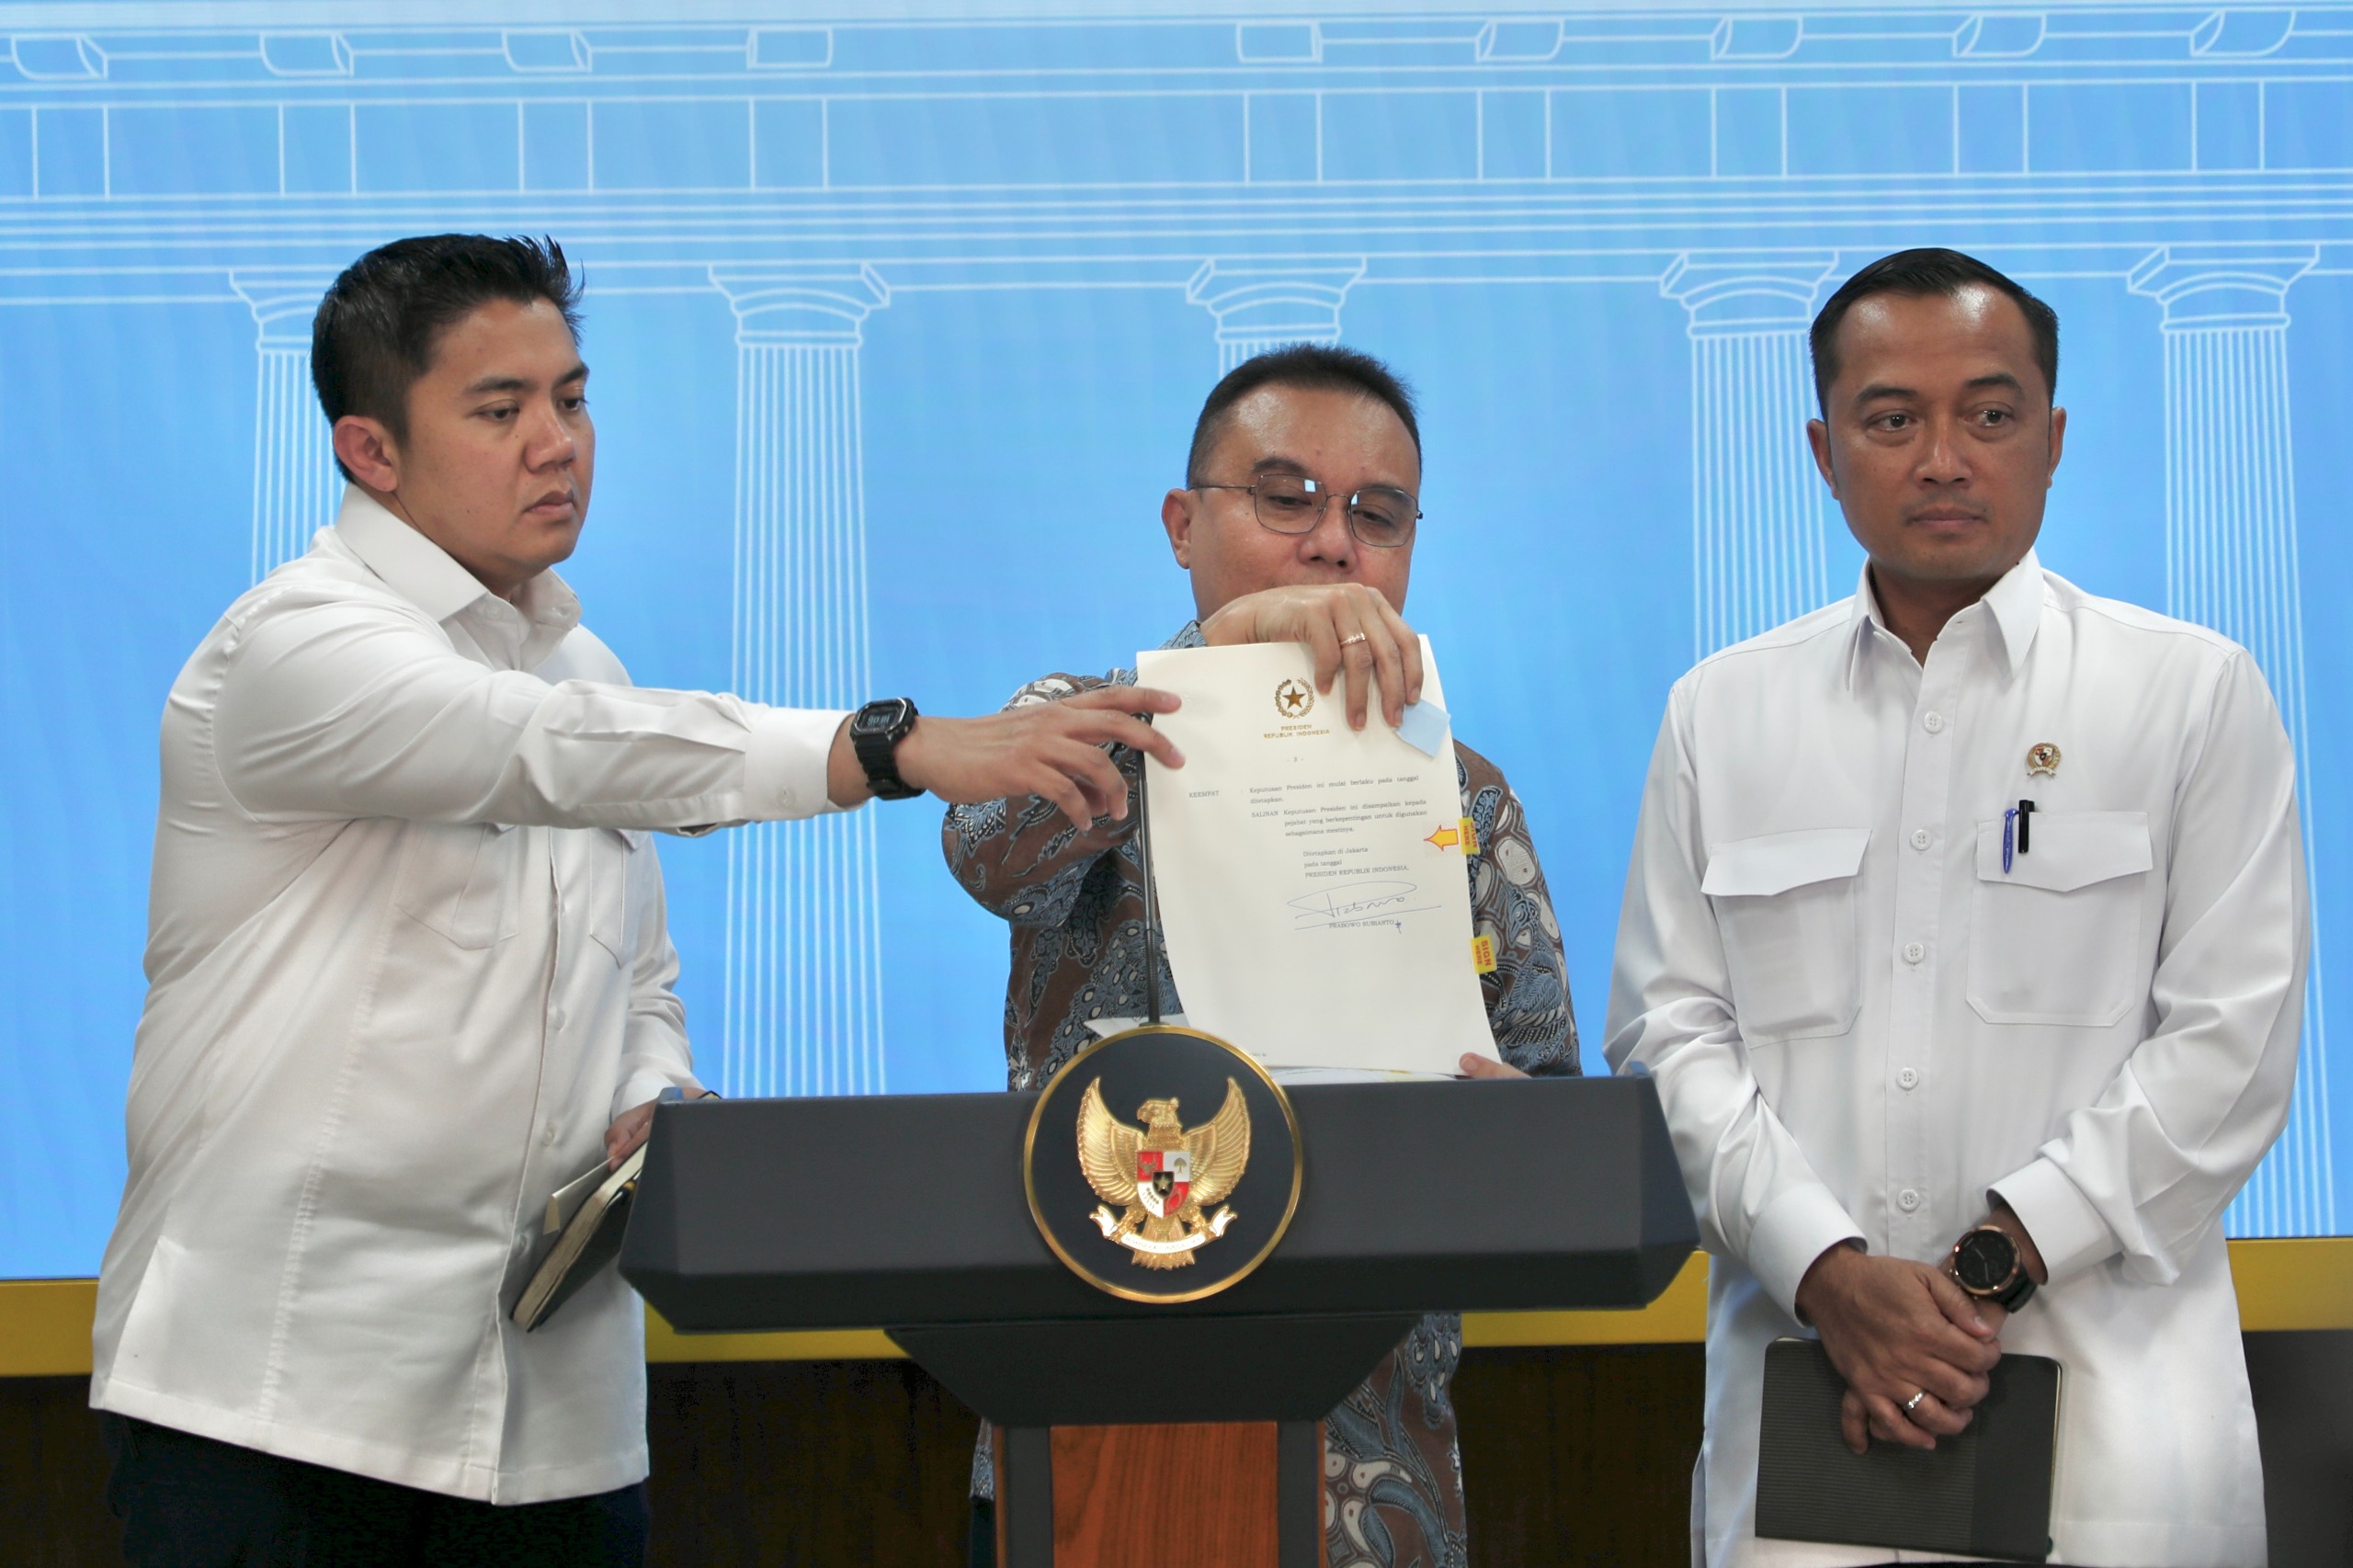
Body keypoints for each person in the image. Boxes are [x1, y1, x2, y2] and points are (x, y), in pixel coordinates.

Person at [89, 233, 1178, 1568]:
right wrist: (891, 745)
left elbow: (638, 974)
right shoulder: (291, 645)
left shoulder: (576, 658)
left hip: (555, 1427)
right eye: (501, 410)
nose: (558, 443)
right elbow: (541, 749)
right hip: (283, 1406)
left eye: (573, 397)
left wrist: (653, 1087)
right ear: (370, 453)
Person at [1608, 247, 2306, 1567]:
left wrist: (1985, 1268)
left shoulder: (2192, 692)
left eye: (1989, 415)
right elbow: (1667, 1036)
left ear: (2053, 437)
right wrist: (1833, 1276)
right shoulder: (1722, 711)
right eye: (1892, 419)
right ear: (1823, 450)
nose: (1943, 456)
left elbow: (2234, 1041)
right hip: (1810, 1441)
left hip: (2123, 1451)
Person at [943, 344, 1578, 1568]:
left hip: (1369, 1475)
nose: (1333, 546)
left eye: (1376, 514)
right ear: (1184, 524)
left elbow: (1550, 1104)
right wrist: (1237, 643)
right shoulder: (1088, 726)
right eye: (1285, 499)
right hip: (1082, 1444)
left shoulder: (1465, 794)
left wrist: (1512, 1140)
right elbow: (983, 842)